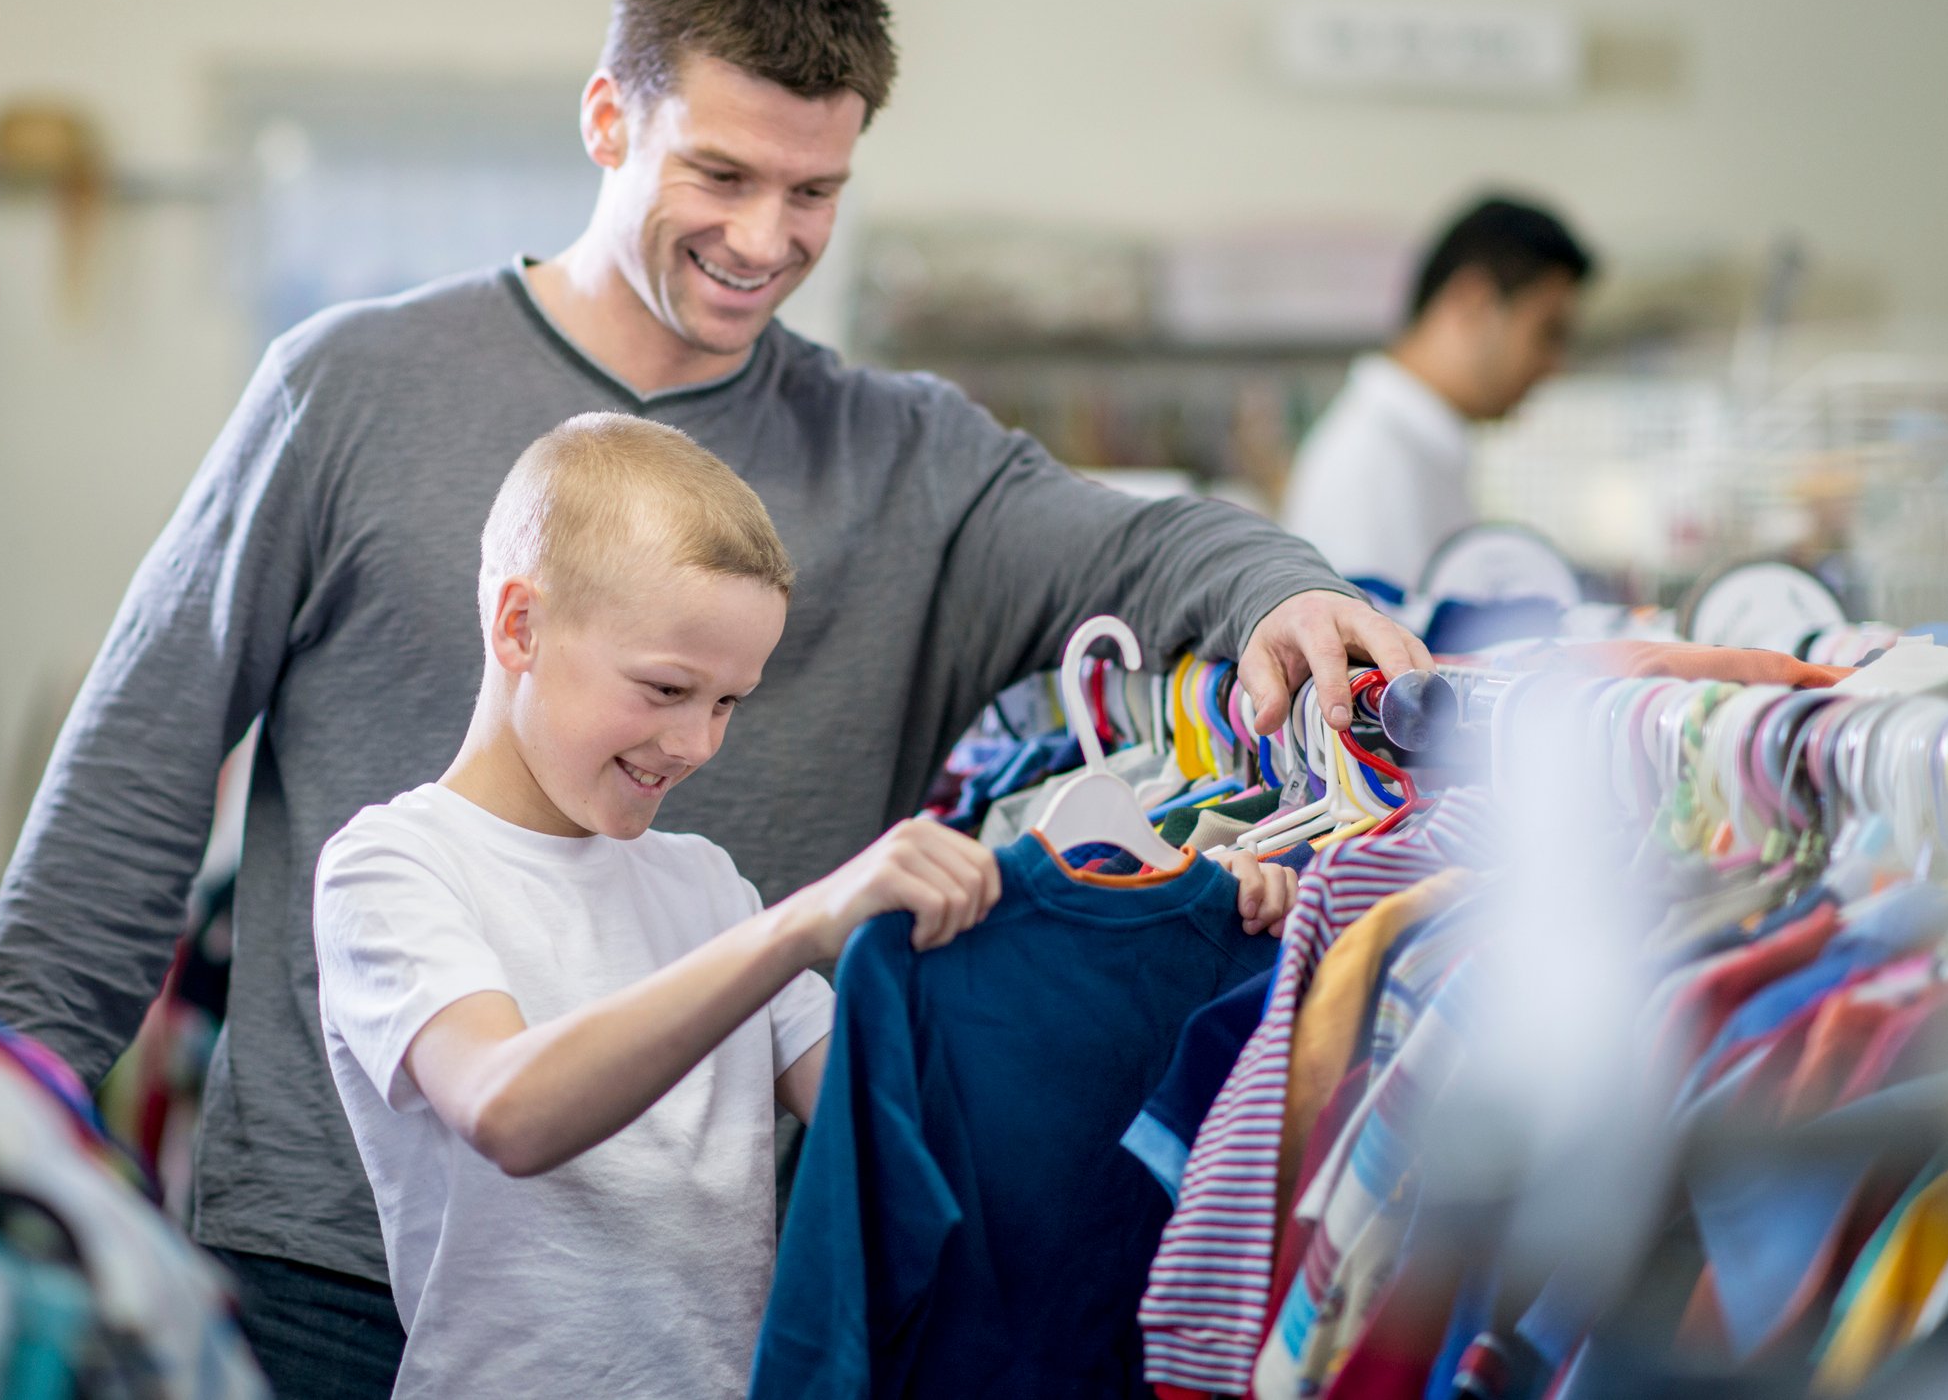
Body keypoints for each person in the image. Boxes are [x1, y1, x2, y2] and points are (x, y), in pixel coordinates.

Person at [0, 0, 1428, 1394]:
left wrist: (1286, 595)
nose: (763, 237)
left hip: (697, 1283)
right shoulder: (348, 387)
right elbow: (129, 791)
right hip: (327, 1260)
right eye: (720, 173)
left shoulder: (908, 460)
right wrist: (11, 1164)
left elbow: (1147, 538)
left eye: (814, 192)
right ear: (610, 119)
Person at [313, 412, 1299, 1397]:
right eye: (666, 688)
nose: (697, 743)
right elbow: (505, 1109)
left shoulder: (703, 883)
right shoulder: (395, 865)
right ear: (520, 624)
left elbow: (917, 1110)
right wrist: (797, 924)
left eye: (728, 702)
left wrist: (1168, 918)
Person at [1280, 194, 1597, 591]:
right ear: (1473, 303)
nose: (1554, 365)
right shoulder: (1371, 464)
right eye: (1548, 332)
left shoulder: (1418, 449)